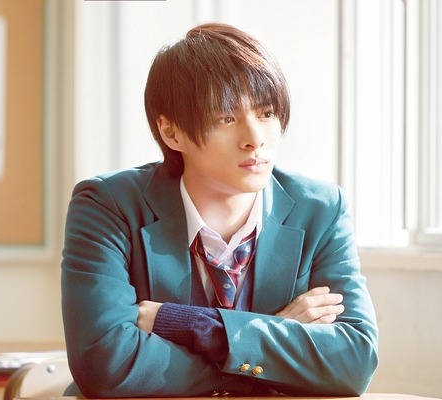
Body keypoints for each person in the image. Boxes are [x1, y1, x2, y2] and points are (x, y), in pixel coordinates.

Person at [61, 22, 378, 397]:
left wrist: (193, 324)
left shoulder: (320, 209)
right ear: (172, 132)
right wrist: (265, 340)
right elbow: (105, 364)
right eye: (226, 118)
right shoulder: (107, 205)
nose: (255, 139)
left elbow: (354, 360)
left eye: (266, 113)